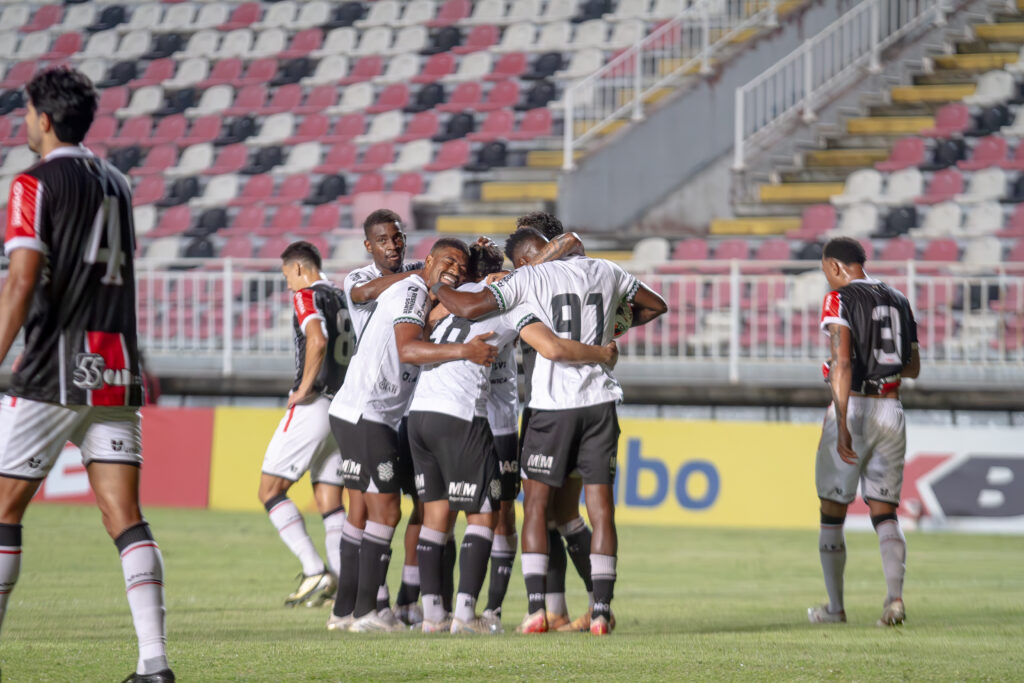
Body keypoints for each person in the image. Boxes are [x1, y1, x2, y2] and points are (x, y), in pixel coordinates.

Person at [0, 67, 172, 682]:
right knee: (124, 516)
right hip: (115, 371)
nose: (23, 124)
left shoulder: (32, 184)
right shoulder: (119, 184)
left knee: (3, 510)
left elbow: (21, 282)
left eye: (25, 114)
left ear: (44, 119)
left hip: (51, 371)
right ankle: (154, 664)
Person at [433, 227, 667, 635]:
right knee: (600, 509)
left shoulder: (526, 279)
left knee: (537, 507)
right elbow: (655, 305)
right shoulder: (606, 269)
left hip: (552, 405)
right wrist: (610, 332)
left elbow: (468, 309)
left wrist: (438, 284)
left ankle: (538, 609)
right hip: (600, 401)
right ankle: (600, 612)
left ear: (524, 260)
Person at [410, 240, 618, 634]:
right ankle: (473, 615)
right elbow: (552, 346)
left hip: (422, 410)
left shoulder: (452, 299)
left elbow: (437, 317)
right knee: (491, 515)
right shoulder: (509, 299)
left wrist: (440, 286)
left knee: (436, 514)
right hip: (475, 414)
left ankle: (434, 616)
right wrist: (601, 353)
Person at [327, 238, 498, 632]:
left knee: (368, 511)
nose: (454, 269)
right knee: (386, 511)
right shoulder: (411, 290)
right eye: (448, 261)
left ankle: (350, 610)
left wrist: (481, 264)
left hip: (365, 411)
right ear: (430, 259)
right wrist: (464, 353)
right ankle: (368, 611)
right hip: (369, 413)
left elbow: (440, 315)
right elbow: (407, 349)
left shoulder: (424, 295)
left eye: (461, 265)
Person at [808, 237, 919, 627]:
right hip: (891, 407)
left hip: (854, 407)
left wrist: (841, 423)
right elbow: (913, 367)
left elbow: (841, 365)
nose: (828, 280)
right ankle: (895, 599)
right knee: (885, 511)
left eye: (826, 272)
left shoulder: (838, 300)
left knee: (832, 509)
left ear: (836, 267)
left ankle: (836, 609)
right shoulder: (899, 300)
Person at [341, 209, 425, 625]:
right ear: (368, 245)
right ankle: (366, 609)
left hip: (401, 408)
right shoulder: (357, 279)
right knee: (375, 508)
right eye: (383, 240)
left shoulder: (416, 274)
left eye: (397, 238)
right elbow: (365, 294)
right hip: (368, 403)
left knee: (384, 506)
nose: (392, 245)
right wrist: (419, 274)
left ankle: (359, 608)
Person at [258, 242, 349, 607]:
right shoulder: (341, 297)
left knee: (270, 490)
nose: (288, 286)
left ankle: (314, 571)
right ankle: (341, 587)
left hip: (314, 405)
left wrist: (303, 388)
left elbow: (317, 339)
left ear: (298, 269)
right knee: (329, 499)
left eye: (286, 277)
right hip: (343, 407)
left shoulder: (307, 295)